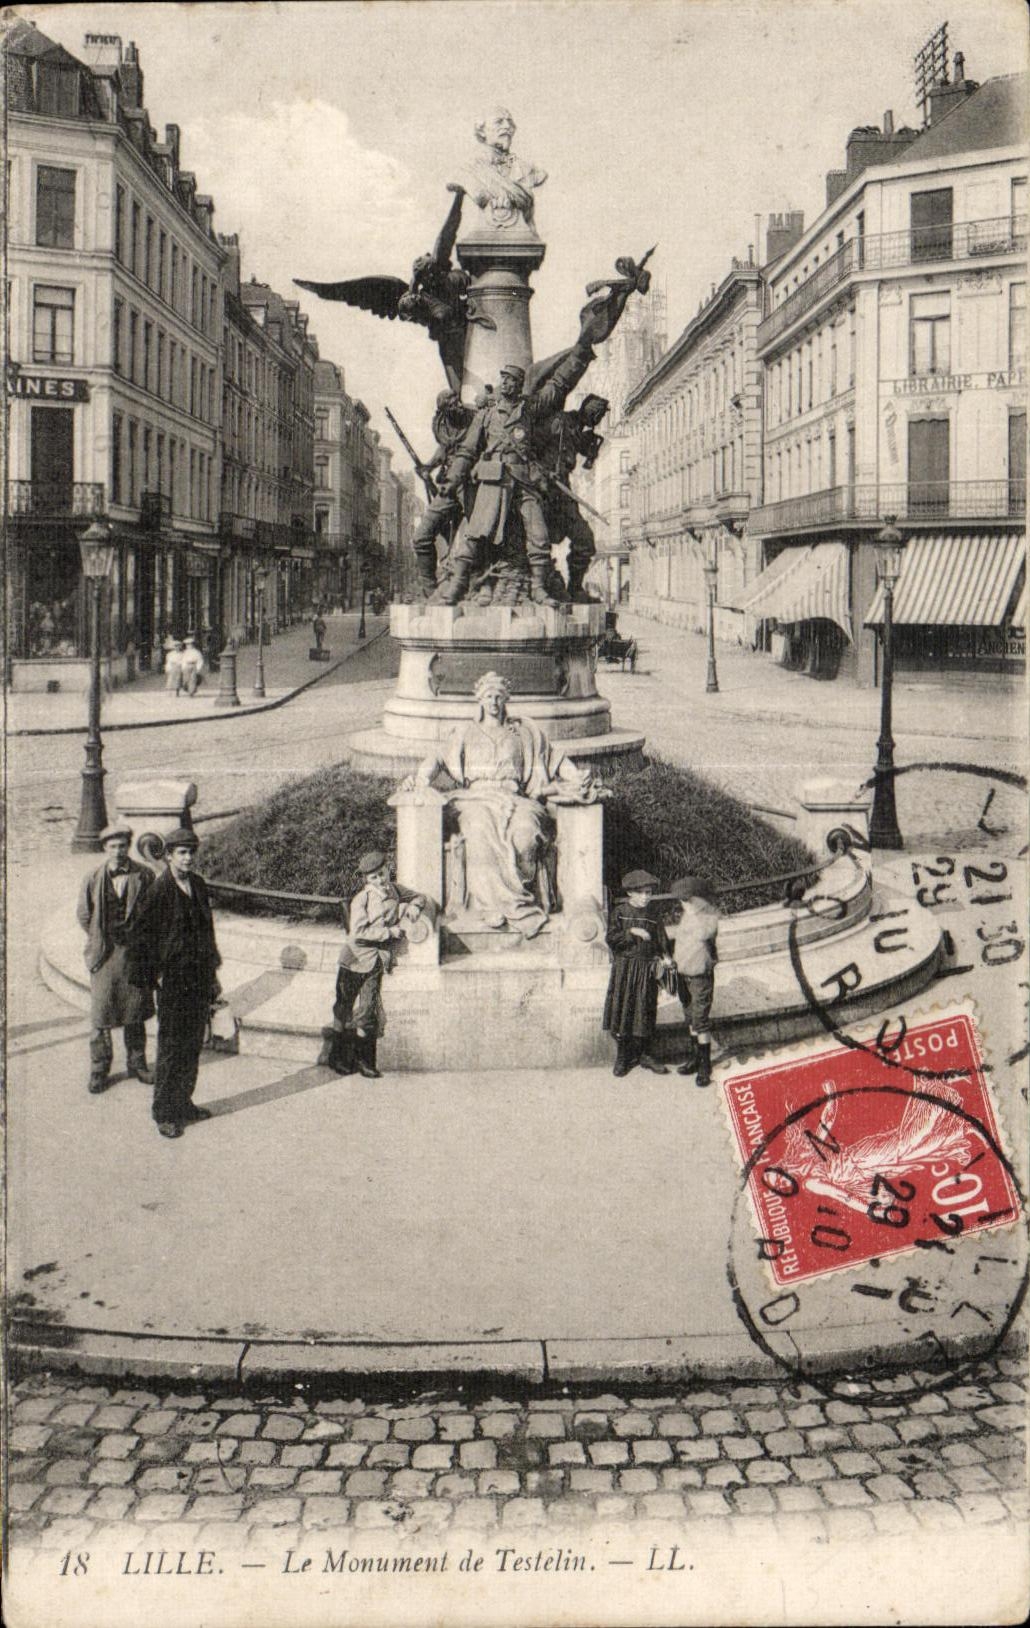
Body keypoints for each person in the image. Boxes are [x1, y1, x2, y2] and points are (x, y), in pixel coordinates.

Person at [412, 672, 598, 938]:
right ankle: (490, 905)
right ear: (479, 700)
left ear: (506, 699)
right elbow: (437, 758)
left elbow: (554, 759)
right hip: (475, 799)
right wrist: (420, 779)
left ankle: (520, 904)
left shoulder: (523, 731)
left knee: (525, 834)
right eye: (489, 696)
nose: (494, 702)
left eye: (499, 697)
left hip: (515, 798)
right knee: (478, 831)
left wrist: (575, 776)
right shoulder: (465, 731)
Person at [432, 343, 595, 607]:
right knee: (475, 536)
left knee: (539, 536)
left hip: (523, 480)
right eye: (504, 380)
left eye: (512, 381)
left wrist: (580, 354)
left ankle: (540, 589)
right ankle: (456, 588)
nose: (507, 385)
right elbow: (467, 450)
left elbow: (556, 387)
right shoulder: (486, 415)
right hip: (493, 480)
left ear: (520, 385)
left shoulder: (529, 409)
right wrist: (451, 482)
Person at [127, 827, 221, 1139]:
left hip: (198, 978)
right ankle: (164, 1112)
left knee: (193, 1044)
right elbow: (140, 937)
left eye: (191, 852)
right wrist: (151, 978)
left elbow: (207, 932)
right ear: (168, 856)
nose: (188, 858)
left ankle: (184, 1102)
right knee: (171, 1047)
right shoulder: (159, 891)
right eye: (181, 852)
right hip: (173, 981)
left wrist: (213, 977)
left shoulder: (197, 884)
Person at [326, 852, 425, 1080]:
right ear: (366, 880)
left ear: (387, 869)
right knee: (343, 1006)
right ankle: (337, 1056)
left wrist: (415, 907)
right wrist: (390, 932)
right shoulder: (362, 899)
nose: (380, 880)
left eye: (381, 874)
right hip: (354, 960)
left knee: (368, 1010)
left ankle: (365, 1061)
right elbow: (358, 933)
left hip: (375, 961)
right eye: (373, 878)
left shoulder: (394, 889)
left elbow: (420, 896)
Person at [76, 823, 155, 1094]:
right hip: (105, 954)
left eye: (123, 845)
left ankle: (138, 1063)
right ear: (104, 848)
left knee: (135, 1011)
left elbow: (154, 913)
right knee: (101, 1015)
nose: (118, 851)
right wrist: (99, 938)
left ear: (128, 846)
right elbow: (84, 915)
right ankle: (99, 1069)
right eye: (113, 846)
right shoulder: (93, 877)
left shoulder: (144, 875)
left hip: (134, 954)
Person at [603, 870, 674, 1077]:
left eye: (649, 892)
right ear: (631, 893)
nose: (646, 897)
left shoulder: (653, 914)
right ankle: (623, 1057)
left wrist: (666, 956)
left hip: (646, 969)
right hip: (625, 969)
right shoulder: (620, 912)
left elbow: (662, 939)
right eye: (642, 893)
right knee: (624, 1010)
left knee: (646, 1009)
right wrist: (631, 932)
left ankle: (645, 1055)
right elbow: (611, 938)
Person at [409, 390, 475, 593]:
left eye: (458, 401)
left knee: (479, 535)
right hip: (449, 487)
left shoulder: (475, 420)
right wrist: (428, 467)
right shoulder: (441, 425)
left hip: (472, 484)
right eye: (452, 404)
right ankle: (429, 589)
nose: (458, 406)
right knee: (421, 537)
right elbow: (445, 449)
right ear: (443, 410)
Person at [667, 876, 720, 1087]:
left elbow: (705, 934)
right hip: (683, 973)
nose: (683, 904)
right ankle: (695, 1057)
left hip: (700, 975)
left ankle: (705, 1065)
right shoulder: (689, 915)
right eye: (682, 901)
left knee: (700, 1020)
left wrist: (694, 913)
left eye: (687, 900)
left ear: (699, 899)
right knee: (689, 1017)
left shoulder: (708, 915)